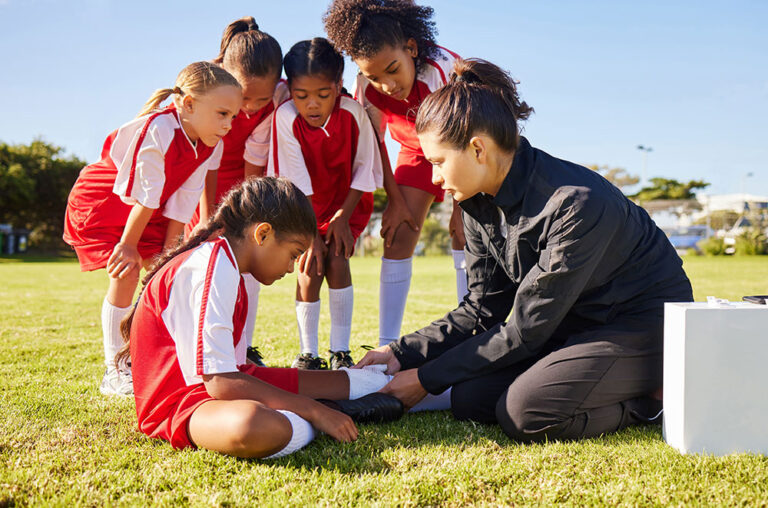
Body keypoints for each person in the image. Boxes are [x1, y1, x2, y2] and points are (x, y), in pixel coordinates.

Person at [356, 59, 694, 443]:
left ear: (478, 149)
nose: (434, 178)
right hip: (572, 321)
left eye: (438, 163)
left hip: (640, 324)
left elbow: (526, 330)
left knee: (525, 413)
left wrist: (424, 379)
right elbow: (484, 307)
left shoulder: (574, 204)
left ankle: (651, 402)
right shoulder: (476, 202)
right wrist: (403, 353)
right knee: (471, 398)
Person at [117, 177, 404, 459]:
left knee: (340, 379)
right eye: (293, 254)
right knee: (252, 425)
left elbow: (237, 370)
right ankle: (329, 413)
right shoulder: (212, 265)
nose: (292, 268)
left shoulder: (231, 268)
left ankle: (362, 396)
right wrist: (314, 410)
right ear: (263, 234)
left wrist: (311, 393)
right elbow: (220, 382)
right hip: (182, 404)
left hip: (224, 386)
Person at [63, 61, 242, 396]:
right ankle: (114, 371)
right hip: (106, 202)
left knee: (165, 276)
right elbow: (145, 195)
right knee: (127, 271)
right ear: (188, 104)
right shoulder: (158, 128)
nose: (228, 125)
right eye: (222, 114)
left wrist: (167, 259)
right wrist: (128, 246)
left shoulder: (210, 144)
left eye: (233, 116)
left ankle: (159, 362)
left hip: (151, 208)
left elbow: (180, 205)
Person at [323, 0, 467, 348]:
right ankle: (387, 343)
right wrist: (397, 201)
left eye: (392, 70)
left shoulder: (442, 71)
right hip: (416, 150)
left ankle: (471, 334)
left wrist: (461, 210)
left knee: (466, 236)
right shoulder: (365, 85)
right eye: (375, 77)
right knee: (398, 235)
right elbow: (375, 144)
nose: (386, 85)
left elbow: (463, 143)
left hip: (465, 149)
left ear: (411, 49)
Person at [267, 38, 383, 370]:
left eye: (323, 95)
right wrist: (310, 234)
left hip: (346, 204)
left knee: (337, 261)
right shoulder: (286, 118)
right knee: (309, 268)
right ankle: (308, 354)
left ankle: (340, 352)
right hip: (299, 206)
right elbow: (292, 180)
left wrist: (342, 217)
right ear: (290, 90)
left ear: (339, 85)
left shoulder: (353, 113)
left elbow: (365, 167)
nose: (313, 105)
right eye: (302, 96)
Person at [186, 16, 290, 366]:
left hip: (246, 184)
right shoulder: (210, 87)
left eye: (262, 98)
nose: (250, 107)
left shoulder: (281, 96)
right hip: (201, 183)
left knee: (248, 260)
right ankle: (199, 346)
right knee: (204, 264)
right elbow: (204, 162)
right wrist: (206, 217)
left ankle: (241, 347)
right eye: (245, 97)